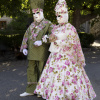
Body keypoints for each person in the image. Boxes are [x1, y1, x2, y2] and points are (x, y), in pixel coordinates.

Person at [34, 0, 96, 99]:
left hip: (67, 57)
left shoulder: (70, 28)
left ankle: (70, 94)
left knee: (68, 77)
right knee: (53, 76)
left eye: (60, 16)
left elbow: (73, 43)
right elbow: (52, 38)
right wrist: (47, 39)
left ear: (65, 15)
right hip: (55, 56)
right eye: (57, 16)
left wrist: (58, 42)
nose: (57, 18)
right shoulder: (56, 28)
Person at [19, 0, 53, 97]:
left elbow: (54, 35)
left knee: (41, 70)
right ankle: (31, 90)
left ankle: (41, 91)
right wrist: (25, 47)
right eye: (33, 13)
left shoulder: (48, 24)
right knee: (31, 70)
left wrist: (43, 41)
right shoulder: (32, 25)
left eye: (37, 13)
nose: (35, 15)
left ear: (42, 12)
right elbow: (26, 36)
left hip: (42, 52)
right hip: (31, 52)